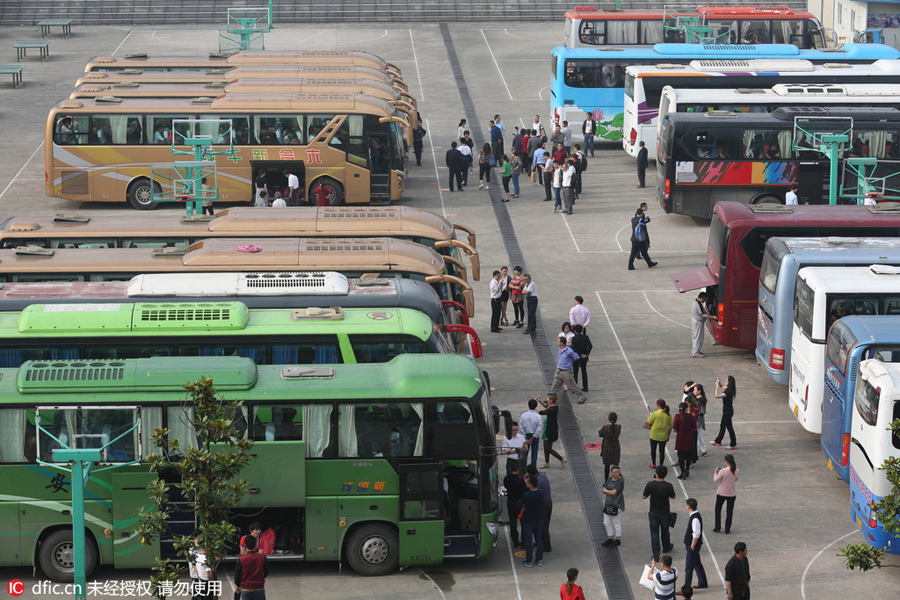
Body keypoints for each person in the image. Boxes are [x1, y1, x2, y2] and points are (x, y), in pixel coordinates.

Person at [642, 466, 676, 561]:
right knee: (665, 531)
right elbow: (673, 496)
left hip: (653, 511)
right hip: (665, 512)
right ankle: (666, 546)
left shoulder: (650, 485)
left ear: (656, 474)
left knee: (654, 532)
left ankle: (656, 553)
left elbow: (644, 496)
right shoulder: (668, 485)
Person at [549, 336, 588, 404]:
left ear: (562, 343)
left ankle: (582, 397)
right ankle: (550, 398)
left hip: (566, 371)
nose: (557, 342)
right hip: (559, 370)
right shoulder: (559, 348)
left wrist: (570, 361)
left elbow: (576, 357)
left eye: (558, 341)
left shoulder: (569, 351)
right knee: (555, 385)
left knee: (572, 385)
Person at [526, 464, 553, 553]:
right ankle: (541, 542)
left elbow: (533, 491)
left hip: (543, 505)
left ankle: (546, 546)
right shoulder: (542, 475)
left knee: (543, 526)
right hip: (549, 502)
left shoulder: (537, 482)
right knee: (545, 524)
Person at [683, 498, 708, 590]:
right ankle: (703, 582)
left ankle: (686, 587)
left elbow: (696, 533)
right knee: (697, 563)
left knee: (689, 567)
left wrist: (692, 546)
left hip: (692, 546)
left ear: (689, 506)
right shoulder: (695, 516)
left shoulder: (695, 518)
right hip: (693, 546)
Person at [234, 534, 268, 599]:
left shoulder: (242, 559)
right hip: (259, 588)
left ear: (245, 545)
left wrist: (239, 585)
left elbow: (237, 575)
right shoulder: (262, 557)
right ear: (255, 545)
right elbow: (266, 571)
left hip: (246, 589)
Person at [520, 474, 544, 567]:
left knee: (528, 541)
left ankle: (529, 560)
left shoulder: (526, 495)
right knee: (539, 540)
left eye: (527, 481)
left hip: (528, 520)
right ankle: (539, 559)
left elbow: (523, 504)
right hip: (538, 519)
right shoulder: (541, 493)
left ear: (530, 484)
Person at [538, 394, 566, 468]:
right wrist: (540, 401)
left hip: (551, 429)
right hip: (549, 428)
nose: (547, 399)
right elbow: (546, 406)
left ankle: (561, 459)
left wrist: (535, 406)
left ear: (551, 400)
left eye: (548, 398)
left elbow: (541, 412)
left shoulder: (553, 409)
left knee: (548, 448)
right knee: (545, 445)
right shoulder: (553, 406)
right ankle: (547, 462)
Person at [713, 454, 739, 533]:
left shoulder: (723, 471)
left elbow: (715, 480)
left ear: (726, 462)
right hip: (731, 493)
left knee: (718, 509)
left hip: (721, 493)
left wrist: (716, 473)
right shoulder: (737, 471)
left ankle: (717, 527)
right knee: (729, 512)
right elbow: (735, 479)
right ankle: (727, 529)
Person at [504, 460, 526, 548]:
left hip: (510, 501)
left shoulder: (507, 479)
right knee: (523, 523)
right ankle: (524, 542)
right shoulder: (520, 481)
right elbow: (524, 491)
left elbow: (506, 486)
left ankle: (515, 542)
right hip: (519, 502)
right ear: (518, 470)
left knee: (513, 523)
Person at [601, 465, 624, 547]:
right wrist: (610, 492)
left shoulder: (620, 481)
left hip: (616, 504)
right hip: (608, 504)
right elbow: (604, 489)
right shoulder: (610, 479)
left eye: (617, 472)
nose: (616, 474)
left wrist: (608, 492)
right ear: (611, 472)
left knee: (616, 522)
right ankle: (610, 538)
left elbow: (614, 493)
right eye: (614, 472)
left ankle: (618, 539)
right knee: (606, 522)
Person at [672, 402, 697, 480]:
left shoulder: (677, 416)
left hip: (681, 438)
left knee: (681, 456)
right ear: (686, 409)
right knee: (689, 455)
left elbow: (674, 427)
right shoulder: (690, 416)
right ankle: (687, 470)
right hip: (689, 438)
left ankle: (682, 472)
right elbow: (694, 426)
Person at [711, 375, 737, 449]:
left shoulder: (729, 391)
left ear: (729, 382)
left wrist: (716, 387)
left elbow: (717, 396)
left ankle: (733, 443)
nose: (725, 381)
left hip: (727, 412)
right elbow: (722, 386)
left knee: (729, 428)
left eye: (726, 380)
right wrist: (719, 382)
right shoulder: (729, 388)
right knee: (722, 426)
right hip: (727, 411)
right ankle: (718, 440)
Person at [647, 399, 672, 469]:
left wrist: (648, 413)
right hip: (663, 436)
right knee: (662, 451)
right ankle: (661, 465)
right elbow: (670, 426)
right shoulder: (668, 415)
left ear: (659, 406)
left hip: (654, 435)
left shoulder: (655, 414)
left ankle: (654, 463)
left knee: (653, 450)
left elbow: (648, 422)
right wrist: (668, 435)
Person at [519, 398, 543, 468]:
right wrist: (532, 438)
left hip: (526, 435)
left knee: (524, 453)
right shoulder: (538, 416)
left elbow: (521, 427)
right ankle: (533, 468)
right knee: (534, 453)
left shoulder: (523, 415)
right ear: (536, 406)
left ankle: (523, 468)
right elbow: (538, 428)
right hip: (534, 437)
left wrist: (525, 437)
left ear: (528, 405)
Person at [598, 412, 621, 481]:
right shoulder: (618, 427)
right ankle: (617, 479)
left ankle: (606, 481)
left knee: (607, 466)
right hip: (616, 448)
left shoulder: (605, 428)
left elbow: (600, 434)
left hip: (607, 448)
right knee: (616, 465)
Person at [691, 292, 715, 358]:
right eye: (705, 299)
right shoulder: (698, 304)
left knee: (695, 336)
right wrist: (712, 317)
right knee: (698, 337)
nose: (705, 300)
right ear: (702, 298)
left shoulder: (694, 301)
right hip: (698, 322)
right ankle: (696, 353)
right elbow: (703, 315)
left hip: (695, 320)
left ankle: (695, 350)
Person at [570, 324, 592, 392]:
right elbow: (590, 346)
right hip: (584, 357)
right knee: (584, 372)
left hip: (576, 358)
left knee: (575, 373)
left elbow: (573, 349)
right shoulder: (586, 337)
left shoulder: (574, 339)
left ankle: (575, 388)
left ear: (575, 331)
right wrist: (586, 354)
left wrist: (578, 355)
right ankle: (585, 387)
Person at [692, 384, 709, 460]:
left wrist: (695, 414)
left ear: (699, 391)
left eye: (695, 390)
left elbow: (703, 411)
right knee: (698, 437)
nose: (693, 391)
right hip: (694, 419)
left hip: (698, 421)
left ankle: (696, 454)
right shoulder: (694, 397)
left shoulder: (702, 400)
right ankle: (704, 450)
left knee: (696, 437)